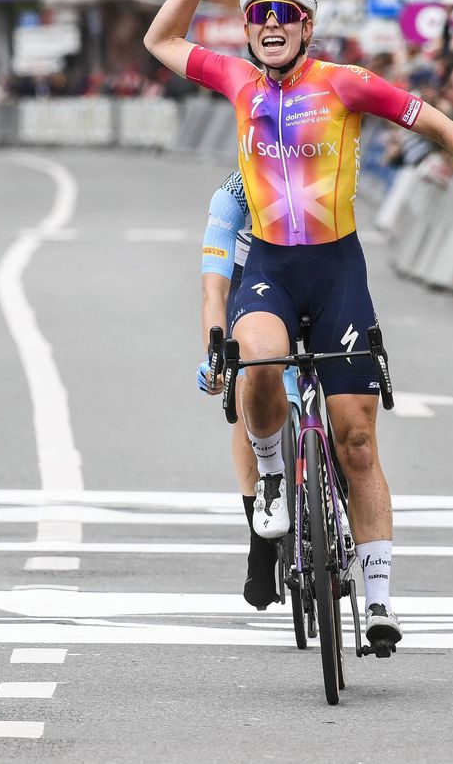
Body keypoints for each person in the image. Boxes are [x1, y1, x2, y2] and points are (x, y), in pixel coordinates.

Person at [144, 0, 453, 650]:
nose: (270, 26)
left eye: (285, 15)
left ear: (306, 26)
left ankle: (382, 595)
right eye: (259, 16)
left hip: (337, 272)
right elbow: (162, 41)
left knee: (357, 439)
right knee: (258, 366)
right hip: (269, 267)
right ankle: (271, 478)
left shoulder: (347, 85)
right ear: (248, 28)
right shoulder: (235, 79)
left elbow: (446, 130)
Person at [196, 169, 283, 611]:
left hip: (309, 281)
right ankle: (260, 541)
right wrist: (216, 353)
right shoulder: (231, 196)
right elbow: (215, 287)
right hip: (248, 287)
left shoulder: (320, 170)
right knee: (247, 381)